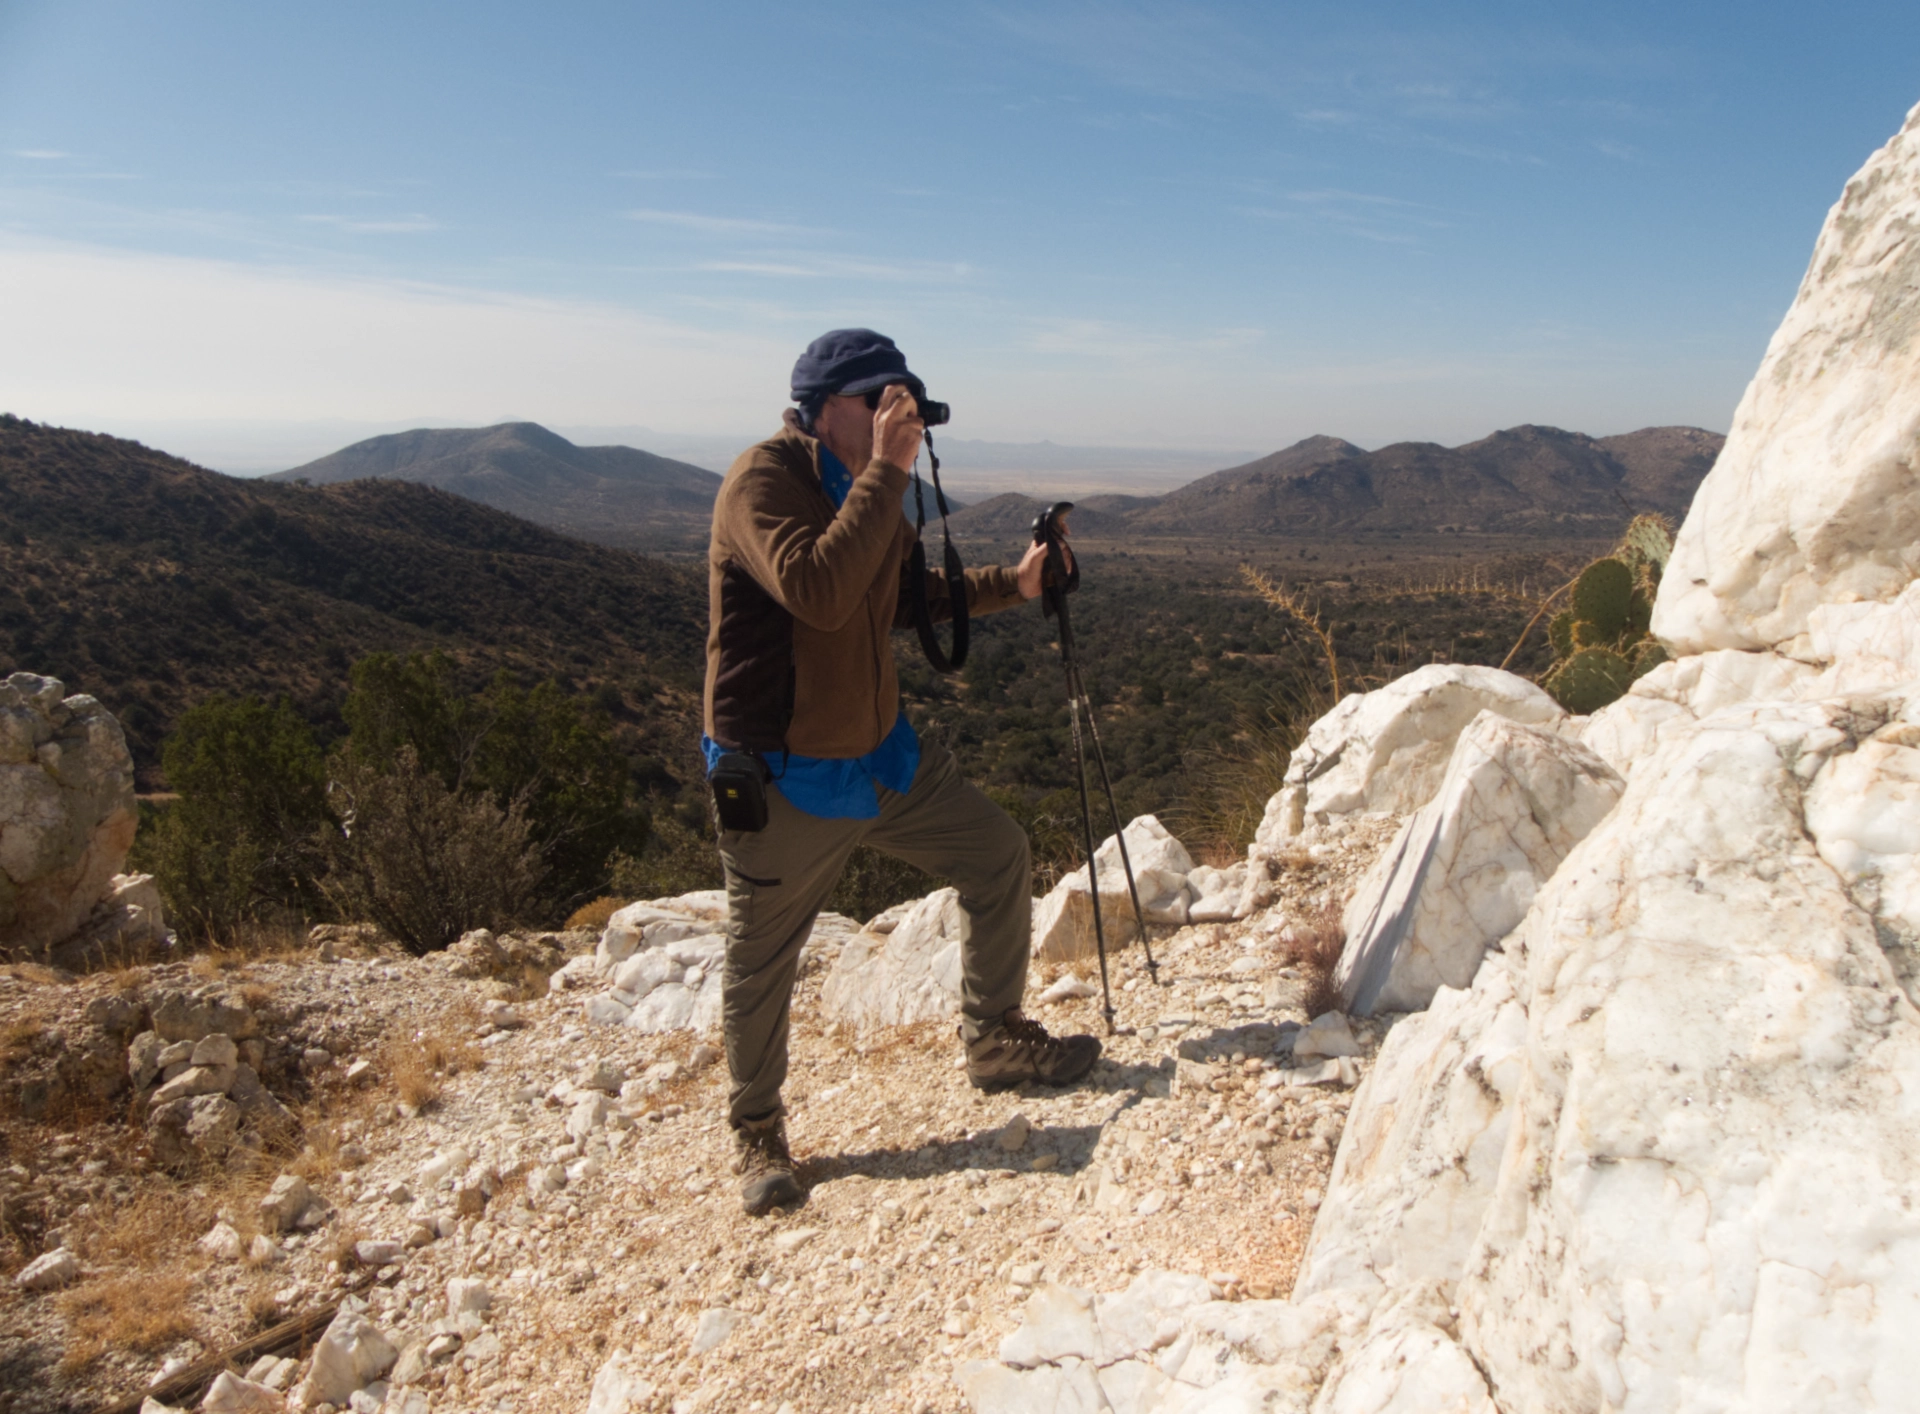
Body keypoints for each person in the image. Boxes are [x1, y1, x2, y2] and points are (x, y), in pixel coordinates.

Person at [703, 328, 1101, 1215]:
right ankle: (757, 1129)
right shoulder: (762, 482)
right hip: (787, 772)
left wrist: (1018, 582)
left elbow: (905, 600)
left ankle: (994, 1041)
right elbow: (817, 589)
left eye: (909, 408)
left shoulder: (872, 488)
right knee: (764, 955)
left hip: (879, 755)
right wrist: (886, 474)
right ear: (827, 408)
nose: (902, 421)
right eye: (884, 403)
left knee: (998, 854)